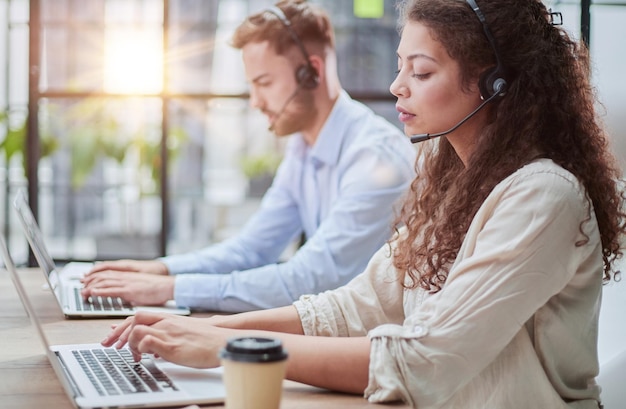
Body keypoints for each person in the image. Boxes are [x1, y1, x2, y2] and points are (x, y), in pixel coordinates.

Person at [101, 0, 626, 407]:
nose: (397, 86)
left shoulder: (541, 196)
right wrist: (197, 328)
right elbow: (354, 306)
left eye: (421, 72)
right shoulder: (453, 182)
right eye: (401, 67)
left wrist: (229, 349)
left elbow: (423, 360)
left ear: (495, 85)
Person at [81, 0, 416, 312]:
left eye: (264, 83)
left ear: (310, 72)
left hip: (372, 347)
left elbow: (310, 279)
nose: (255, 102)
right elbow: (253, 248)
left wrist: (168, 289)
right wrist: (158, 269)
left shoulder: (374, 157)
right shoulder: (303, 149)